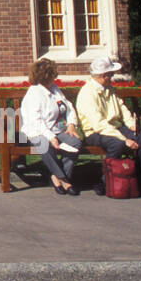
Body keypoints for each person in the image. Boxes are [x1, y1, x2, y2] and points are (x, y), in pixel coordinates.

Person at [76, 55, 141, 195]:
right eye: (111, 74)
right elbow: (99, 124)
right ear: (104, 76)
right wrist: (125, 139)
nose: (112, 77)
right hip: (95, 133)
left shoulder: (109, 88)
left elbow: (122, 108)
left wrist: (132, 125)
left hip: (115, 128)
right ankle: (105, 181)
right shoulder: (87, 93)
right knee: (117, 144)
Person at [19, 58, 82, 195]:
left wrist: (71, 125)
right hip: (37, 131)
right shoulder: (34, 93)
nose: (55, 77)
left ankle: (55, 176)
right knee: (45, 145)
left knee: (75, 142)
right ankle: (65, 180)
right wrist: (51, 137)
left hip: (58, 129)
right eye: (53, 75)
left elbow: (68, 107)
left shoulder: (54, 89)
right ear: (46, 76)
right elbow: (36, 121)